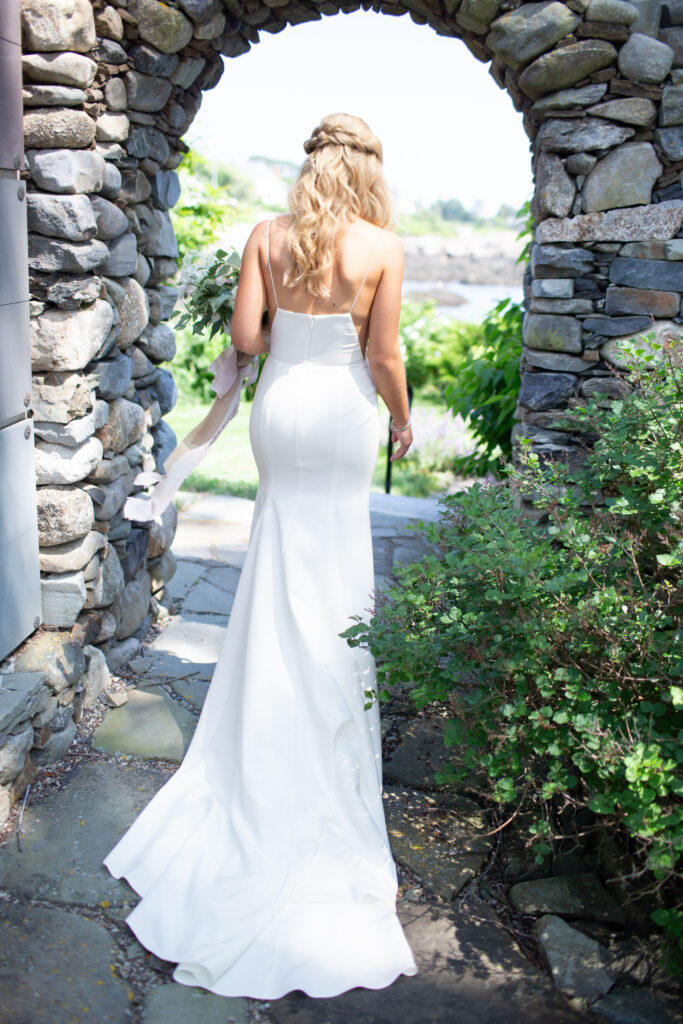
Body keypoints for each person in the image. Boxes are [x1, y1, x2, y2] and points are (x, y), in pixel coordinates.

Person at [102, 112, 419, 999]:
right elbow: (384, 353)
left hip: (282, 410)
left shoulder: (267, 236)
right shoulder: (383, 248)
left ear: (310, 165)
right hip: (346, 412)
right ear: (367, 169)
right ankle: (316, 709)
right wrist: (400, 413)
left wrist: (293, 331)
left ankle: (259, 717)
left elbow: (245, 338)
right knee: (334, 573)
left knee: (275, 561)